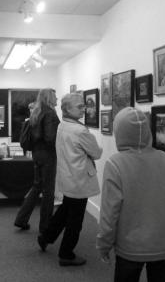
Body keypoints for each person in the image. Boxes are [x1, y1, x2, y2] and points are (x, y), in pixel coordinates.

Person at [96, 107, 165, 282]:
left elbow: (109, 213)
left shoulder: (115, 164)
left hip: (130, 248)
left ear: (119, 133)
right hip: (164, 245)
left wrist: (104, 244)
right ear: (148, 132)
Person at [37, 93, 103, 266]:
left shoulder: (62, 125)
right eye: (79, 106)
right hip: (79, 179)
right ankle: (66, 254)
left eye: (83, 105)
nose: (84, 109)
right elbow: (96, 153)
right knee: (75, 220)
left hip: (67, 176)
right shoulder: (80, 130)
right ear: (66, 109)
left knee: (65, 210)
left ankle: (46, 237)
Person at [14, 88, 59, 234]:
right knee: (48, 192)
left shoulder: (36, 112)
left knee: (37, 187)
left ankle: (21, 219)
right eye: (55, 96)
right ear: (50, 97)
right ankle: (45, 227)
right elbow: (50, 138)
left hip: (37, 154)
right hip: (47, 156)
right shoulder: (50, 113)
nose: (57, 99)